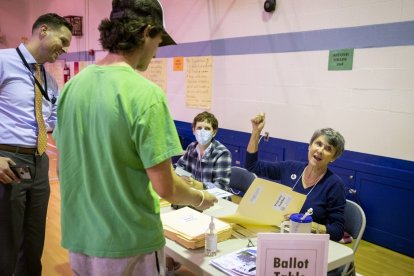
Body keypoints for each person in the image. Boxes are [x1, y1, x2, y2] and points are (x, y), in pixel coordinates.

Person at [52, 1, 217, 275]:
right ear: (146, 32)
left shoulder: (72, 87)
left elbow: (62, 166)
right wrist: (200, 198)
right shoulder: (146, 95)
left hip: (80, 240)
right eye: (158, 42)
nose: (156, 53)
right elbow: (165, 187)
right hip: (129, 245)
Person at [0, 13, 73, 276]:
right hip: (9, 158)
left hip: (39, 162)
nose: (64, 49)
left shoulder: (50, 81)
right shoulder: (3, 61)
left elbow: (55, 122)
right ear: (43, 31)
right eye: (62, 41)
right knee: (6, 240)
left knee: (34, 239)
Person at [245, 112, 346, 241]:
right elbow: (252, 166)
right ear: (309, 146)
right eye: (318, 144)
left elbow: (337, 231)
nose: (320, 151)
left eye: (328, 149)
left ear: (333, 158)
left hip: (309, 242)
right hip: (279, 232)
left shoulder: (334, 185)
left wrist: (306, 223)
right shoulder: (290, 168)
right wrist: (255, 132)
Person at [176, 111, 232, 191]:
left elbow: (221, 186)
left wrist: (195, 184)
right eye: (199, 128)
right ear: (193, 130)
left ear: (214, 132)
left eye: (207, 128)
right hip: (194, 194)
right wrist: (183, 177)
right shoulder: (192, 147)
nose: (202, 132)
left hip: (215, 199)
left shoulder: (222, 153)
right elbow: (179, 169)